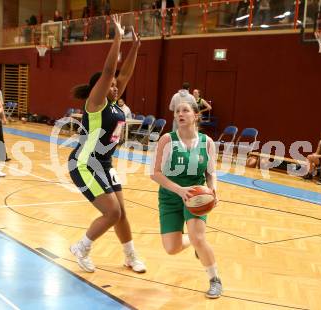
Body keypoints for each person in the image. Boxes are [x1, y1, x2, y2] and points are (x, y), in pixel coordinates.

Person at [68, 16, 145, 274]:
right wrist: (118, 37)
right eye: (110, 85)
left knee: (122, 212)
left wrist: (135, 46)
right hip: (84, 163)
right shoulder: (96, 103)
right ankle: (82, 247)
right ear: (98, 88)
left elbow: (124, 74)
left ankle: (130, 255)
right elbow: (112, 71)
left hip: (104, 163)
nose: (115, 87)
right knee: (112, 212)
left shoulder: (113, 101)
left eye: (116, 86)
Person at [150, 100, 222, 299]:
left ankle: (215, 279)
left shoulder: (207, 142)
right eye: (177, 111)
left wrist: (213, 190)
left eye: (185, 110)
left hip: (196, 197)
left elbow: (211, 173)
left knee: (199, 237)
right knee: (171, 249)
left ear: (196, 116)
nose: (179, 114)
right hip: (170, 196)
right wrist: (179, 190)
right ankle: (193, 242)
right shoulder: (167, 139)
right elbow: (155, 173)